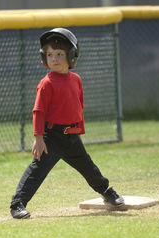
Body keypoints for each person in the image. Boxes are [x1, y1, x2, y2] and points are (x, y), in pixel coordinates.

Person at [10, 28, 124, 219]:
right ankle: (17, 204)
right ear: (44, 57)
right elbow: (38, 111)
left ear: (71, 56)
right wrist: (38, 138)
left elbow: (78, 107)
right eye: (49, 54)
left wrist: (79, 131)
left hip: (71, 136)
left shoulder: (76, 80)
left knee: (89, 167)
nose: (54, 58)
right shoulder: (46, 83)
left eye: (60, 54)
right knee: (36, 172)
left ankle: (106, 191)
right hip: (51, 137)